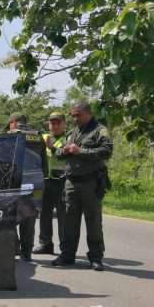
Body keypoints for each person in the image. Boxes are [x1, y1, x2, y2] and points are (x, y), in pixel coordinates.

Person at [51, 101, 113, 270]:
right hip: (71, 182)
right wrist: (62, 151)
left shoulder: (100, 130)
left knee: (93, 221)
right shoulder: (72, 133)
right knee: (69, 221)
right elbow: (57, 151)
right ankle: (67, 255)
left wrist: (81, 151)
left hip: (91, 182)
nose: (74, 118)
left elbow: (107, 151)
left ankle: (96, 257)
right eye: (72, 116)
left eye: (77, 115)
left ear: (87, 113)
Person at [5, 113, 39, 262]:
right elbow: (43, 159)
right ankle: (27, 252)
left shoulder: (9, 136)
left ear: (13, 122)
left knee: (9, 217)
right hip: (34, 181)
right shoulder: (37, 136)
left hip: (13, 181)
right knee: (29, 217)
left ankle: (14, 247)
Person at [34, 112, 68, 255]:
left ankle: (65, 247)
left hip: (62, 182)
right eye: (52, 123)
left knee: (63, 216)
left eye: (58, 123)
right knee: (44, 214)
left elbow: (66, 154)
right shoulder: (43, 138)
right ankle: (45, 243)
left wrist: (52, 147)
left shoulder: (69, 138)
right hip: (46, 181)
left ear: (64, 124)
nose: (54, 126)